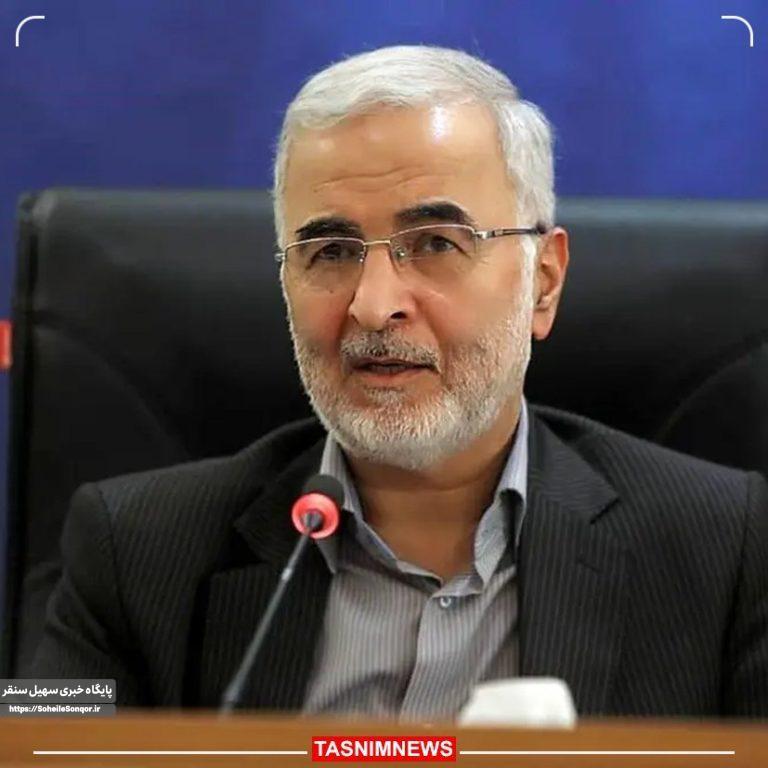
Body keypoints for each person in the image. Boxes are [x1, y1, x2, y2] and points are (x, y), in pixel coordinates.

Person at [31, 45, 768, 719]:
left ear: (543, 282)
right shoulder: (129, 546)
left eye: (436, 243)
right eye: (330, 251)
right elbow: (35, 744)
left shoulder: (726, 551)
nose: (374, 304)